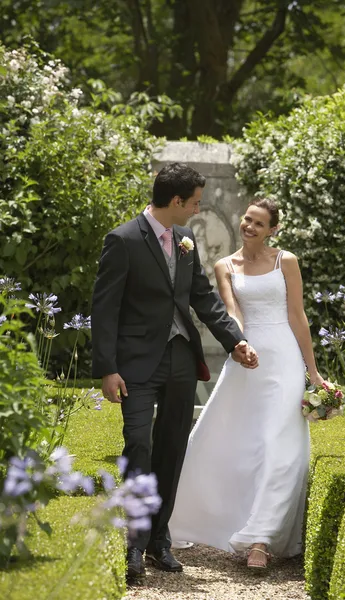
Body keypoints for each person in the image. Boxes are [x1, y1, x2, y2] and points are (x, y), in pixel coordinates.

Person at [90, 162, 258, 580]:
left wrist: (234, 340)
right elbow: (104, 308)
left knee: (172, 448)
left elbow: (202, 297)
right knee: (138, 447)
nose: (198, 210)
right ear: (176, 200)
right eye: (196, 203)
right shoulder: (123, 240)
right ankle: (132, 540)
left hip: (181, 360)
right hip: (137, 365)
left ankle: (158, 540)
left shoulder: (184, 240)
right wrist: (108, 369)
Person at [169, 197, 325, 569]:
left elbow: (297, 316)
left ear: (273, 229)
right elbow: (231, 310)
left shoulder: (285, 261)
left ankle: (261, 539)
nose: (249, 226)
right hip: (247, 356)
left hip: (284, 359)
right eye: (247, 219)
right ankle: (181, 519)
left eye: (259, 223)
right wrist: (240, 346)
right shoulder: (225, 265)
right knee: (217, 435)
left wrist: (313, 371)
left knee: (280, 445)